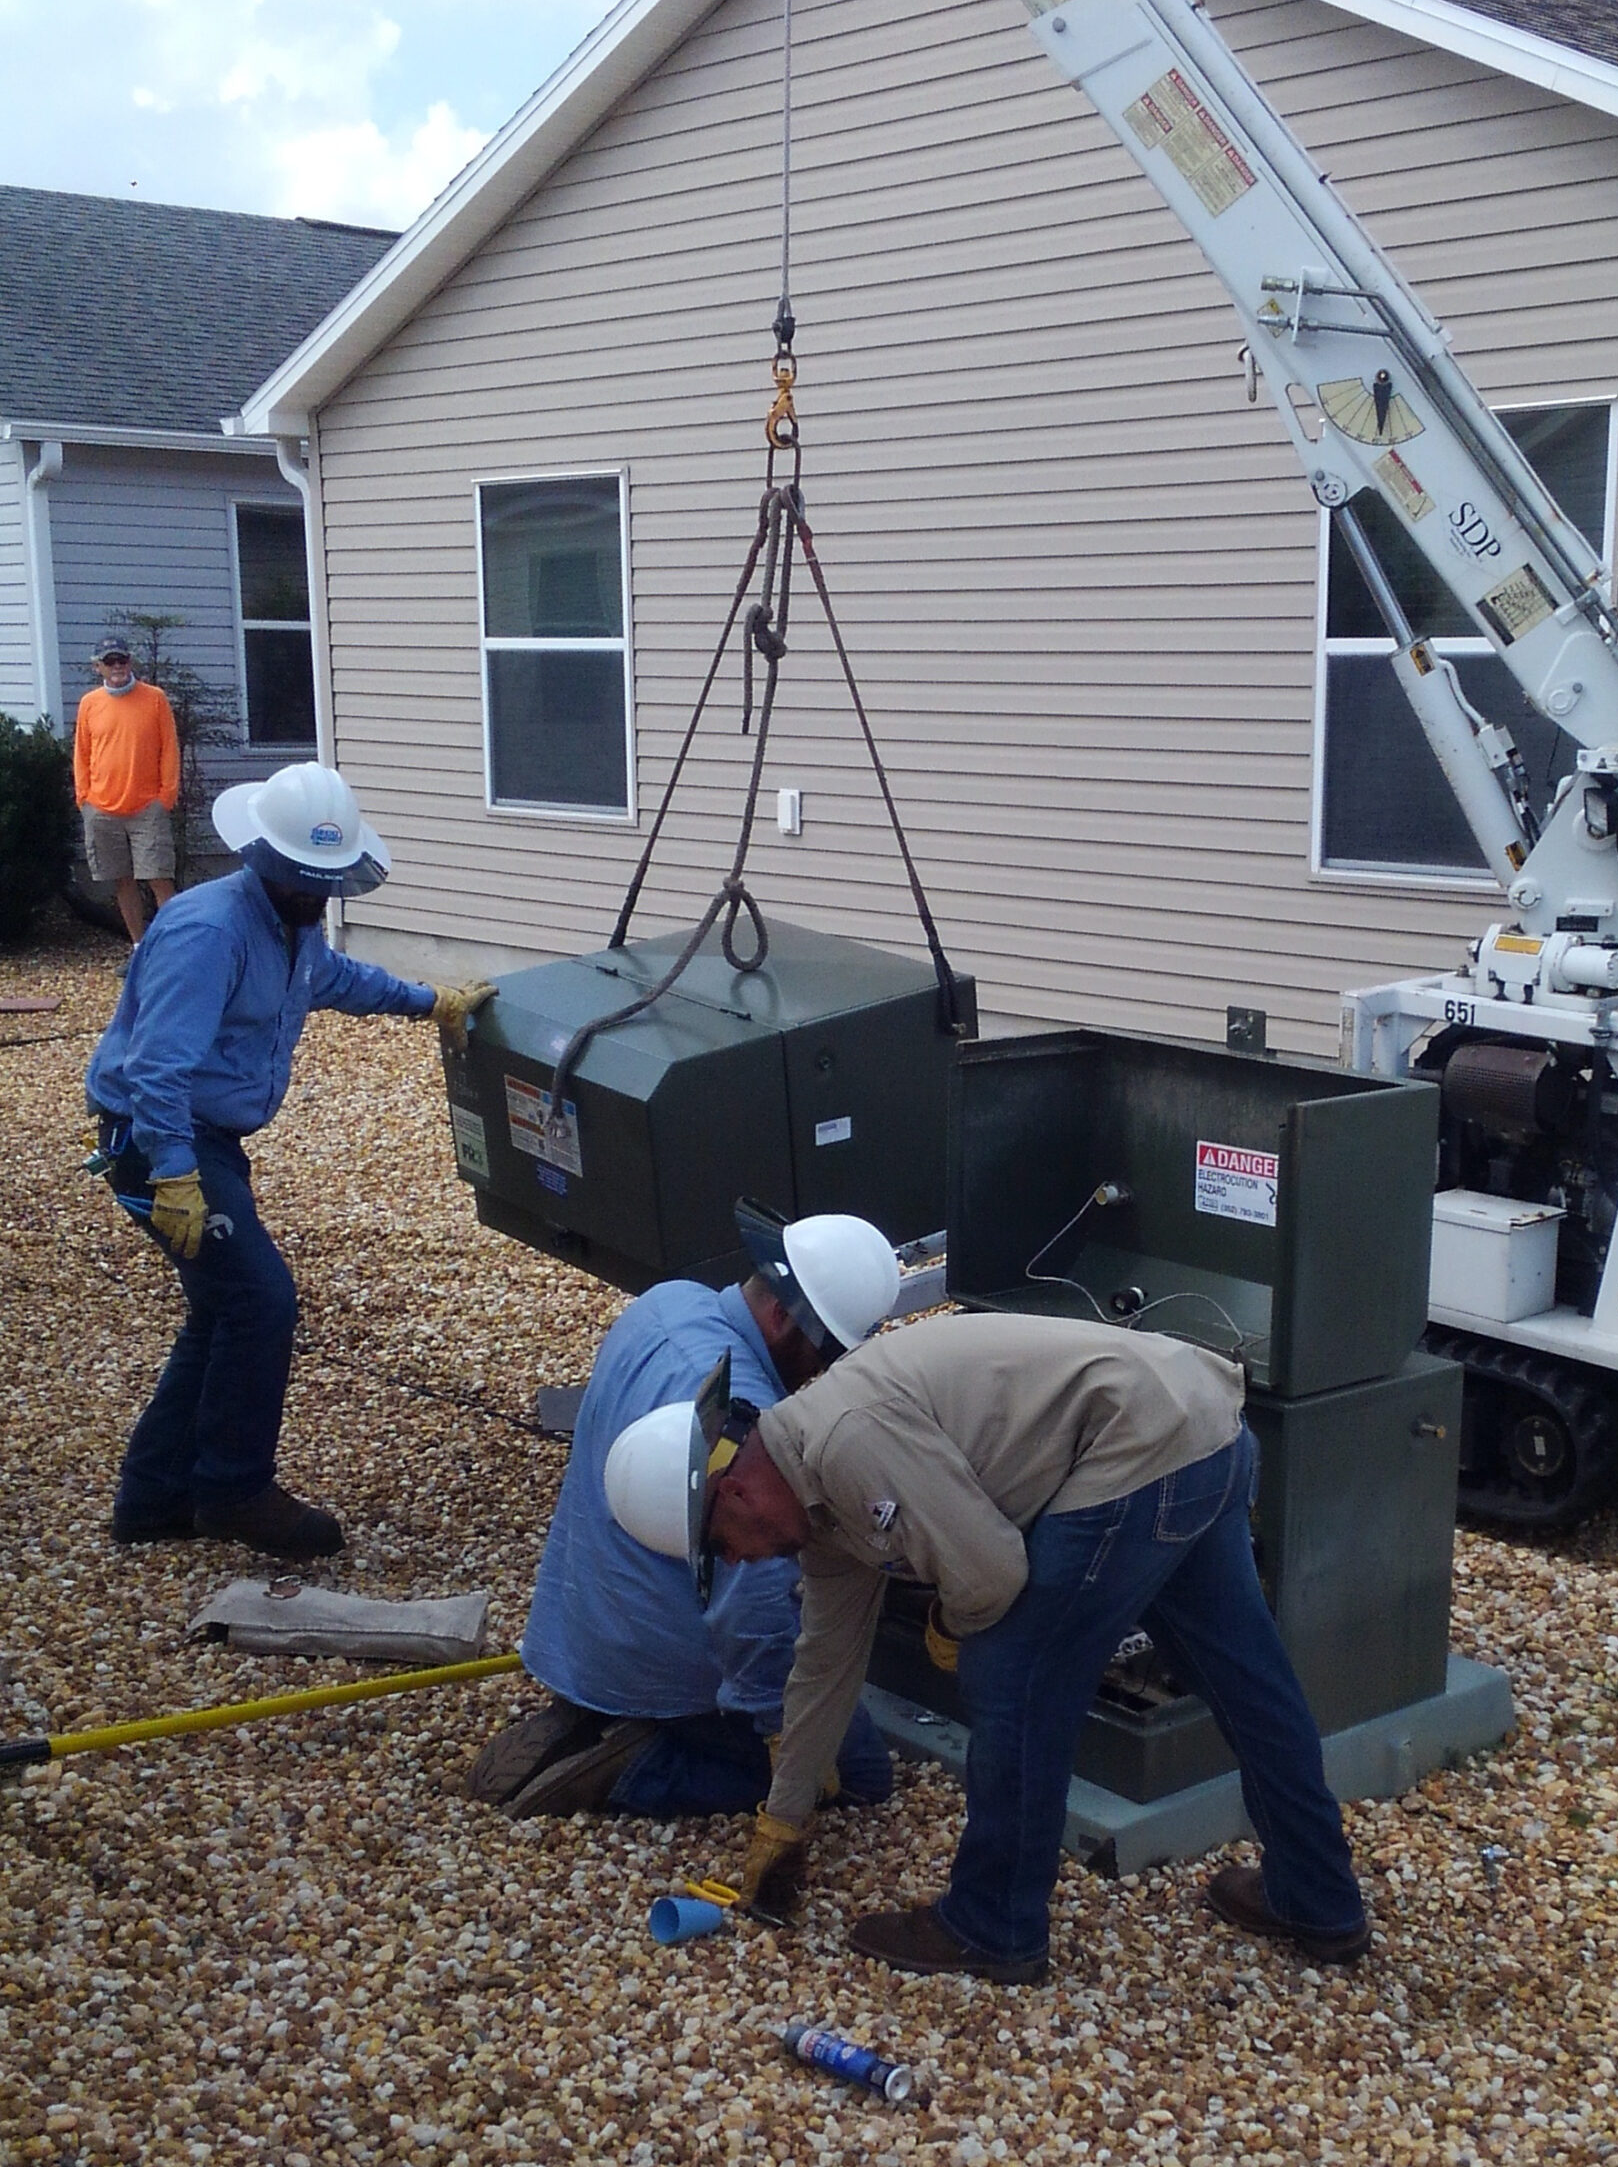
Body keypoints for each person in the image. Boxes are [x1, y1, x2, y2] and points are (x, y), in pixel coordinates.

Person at [604, 1239, 1370, 1985]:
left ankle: (991, 1925)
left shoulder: (845, 1442)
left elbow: (990, 1576)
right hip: (1199, 1430)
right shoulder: (818, 1500)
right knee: (1246, 1682)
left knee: (1012, 1673)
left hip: (1139, 1450)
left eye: (721, 1548)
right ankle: (1317, 1899)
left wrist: (950, 1626)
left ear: (732, 1490)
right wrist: (784, 1815)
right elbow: (826, 1662)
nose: (736, 1563)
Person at [88, 759, 496, 1559]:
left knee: (224, 1311)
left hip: (207, 1139)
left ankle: (154, 1499)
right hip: (155, 1137)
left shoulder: (293, 928)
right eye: (302, 879)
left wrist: (430, 1001)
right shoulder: (208, 933)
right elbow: (157, 1070)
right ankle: (233, 1490)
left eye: (326, 881)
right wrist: (173, 1174)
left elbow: (333, 978)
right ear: (263, 858)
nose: (316, 895)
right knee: (262, 1303)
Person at [462, 1225, 896, 1820]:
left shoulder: (665, 1303)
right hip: (661, 1673)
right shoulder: (742, 1420)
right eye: (826, 1354)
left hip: (580, 1633)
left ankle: (602, 1716)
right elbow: (756, 1600)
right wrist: (784, 1735)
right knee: (865, 1773)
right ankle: (637, 1766)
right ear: (780, 1318)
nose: (821, 1372)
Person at [73, 638, 180, 943]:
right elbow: (81, 753)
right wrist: (84, 798)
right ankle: (138, 948)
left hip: (148, 808)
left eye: (122, 660)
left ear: (130, 663)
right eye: (110, 662)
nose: (117, 667)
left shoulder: (155, 699)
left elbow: (169, 750)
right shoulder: (89, 704)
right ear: (98, 667)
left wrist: (166, 797)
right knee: (123, 881)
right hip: (102, 809)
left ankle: (174, 947)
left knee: (159, 878)